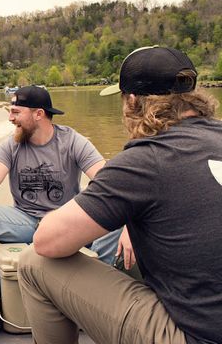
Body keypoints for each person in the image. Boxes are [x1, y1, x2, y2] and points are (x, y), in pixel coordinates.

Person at [17, 46, 222, 344]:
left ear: (132, 101)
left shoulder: (144, 159)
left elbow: (47, 241)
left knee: (34, 262)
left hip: (197, 337)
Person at [0, 85, 124, 344]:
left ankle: (96, 296)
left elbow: (106, 181)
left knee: (115, 219)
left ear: (38, 114)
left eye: (16, 112)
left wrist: (127, 222)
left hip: (66, 222)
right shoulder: (11, 145)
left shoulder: (72, 141)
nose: (10, 118)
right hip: (25, 220)